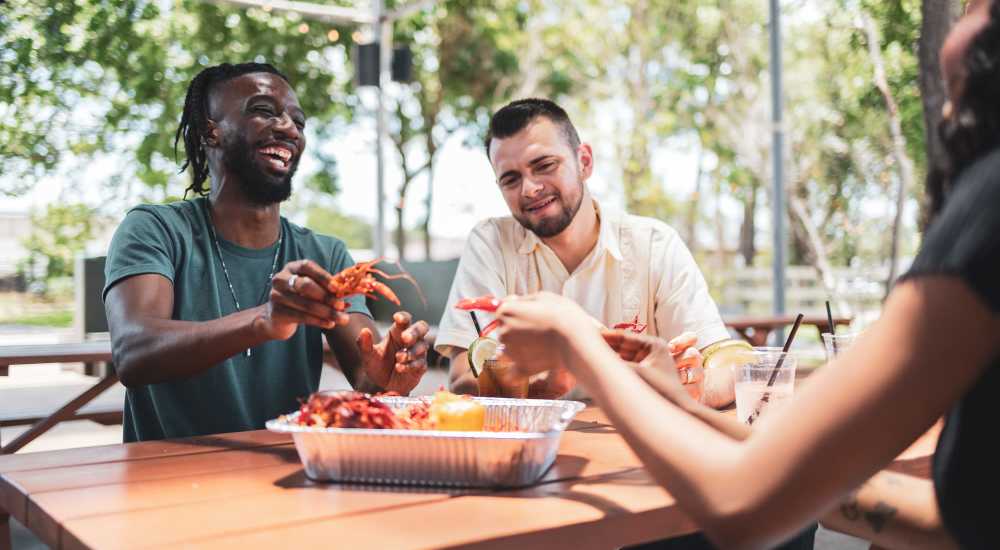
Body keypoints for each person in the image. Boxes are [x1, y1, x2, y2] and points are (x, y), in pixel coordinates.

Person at [492, 1, 1000, 548]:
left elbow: (740, 505)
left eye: (982, 8)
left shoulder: (988, 211)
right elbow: (953, 519)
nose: (958, 26)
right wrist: (681, 406)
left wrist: (576, 345)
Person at [103, 62, 430, 442]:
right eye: (263, 111)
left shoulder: (326, 253)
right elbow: (133, 353)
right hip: (163, 480)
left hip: (285, 477)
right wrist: (263, 321)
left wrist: (391, 377)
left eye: (298, 121)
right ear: (211, 130)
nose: (289, 128)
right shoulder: (154, 229)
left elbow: (367, 378)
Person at [435, 98, 738, 402]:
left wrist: (698, 386)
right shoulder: (491, 243)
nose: (529, 189)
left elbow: (725, 359)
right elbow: (462, 378)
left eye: (544, 166)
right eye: (511, 179)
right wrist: (548, 383)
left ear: (585, 162)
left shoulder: (655, 244)